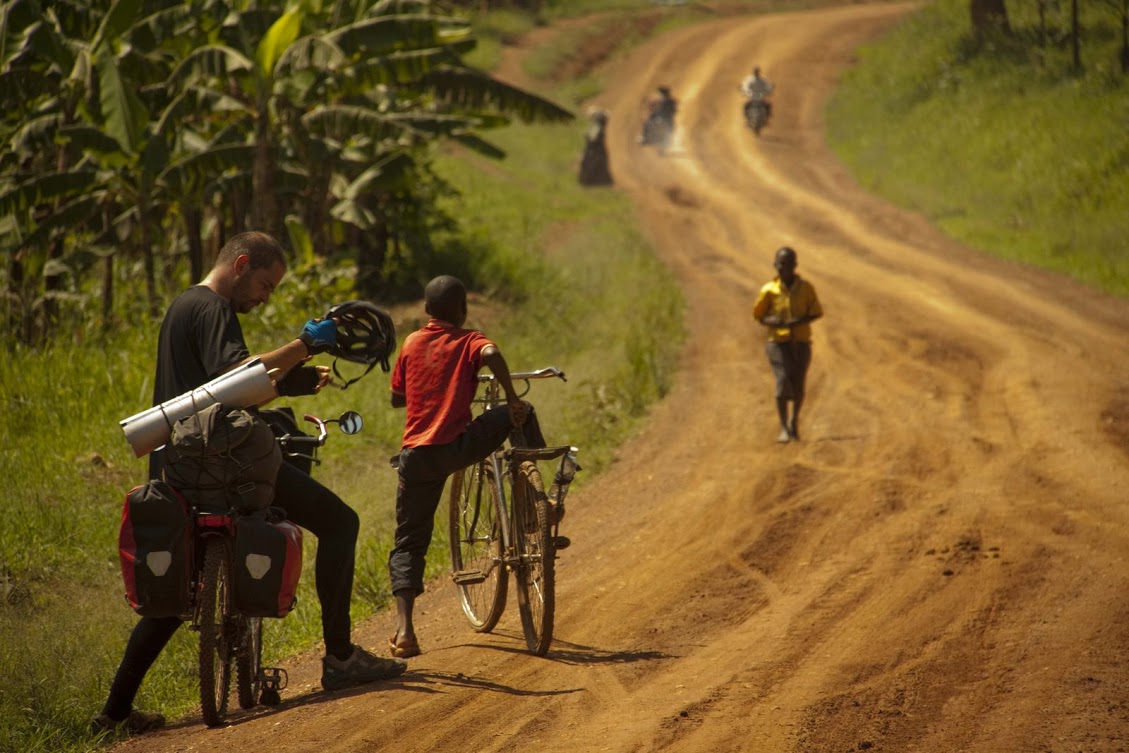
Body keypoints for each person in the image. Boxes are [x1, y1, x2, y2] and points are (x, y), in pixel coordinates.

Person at [93, 231, 405, 736]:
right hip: (223, 467)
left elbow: (217, 392)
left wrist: (287, 382)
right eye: (265, 283)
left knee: (179, 595)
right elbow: (234, 375)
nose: (265, 297)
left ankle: (113, 713)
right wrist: (304, 345)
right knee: (340, 522)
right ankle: (341, 657)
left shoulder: (182, 307)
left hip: (179, 470)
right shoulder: (214, 309)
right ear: (239, 265)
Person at [386, 275, 545, 659]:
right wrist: (510, 396)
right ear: (463, 310)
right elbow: (491, 354)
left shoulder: (410, 343)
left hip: (417, 457)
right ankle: (533, 503)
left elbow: (396, 399)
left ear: (425, 311)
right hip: (457, 447)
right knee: (516, 414)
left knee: (409, 540)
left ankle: (405, 631)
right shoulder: (470, 339)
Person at [752, 247, 823, 444]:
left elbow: (817, 312)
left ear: (795, 266)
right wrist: (771, 321)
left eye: (788, 264)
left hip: (800, 343)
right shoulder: (769, 290)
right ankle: (783, 427)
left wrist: (799, 321)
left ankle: (794, 422)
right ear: (775, 265)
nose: (784, 268)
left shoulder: (806, 288)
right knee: (782, 380)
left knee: (799, 385)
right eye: (781, 264)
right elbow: (758, 315)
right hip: (778, 343)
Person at [578, 108, 613, 186]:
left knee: (590, 162)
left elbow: (591, 137)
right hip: (598, 149)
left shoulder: (598, 127)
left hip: (594, 149)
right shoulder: (601, 128)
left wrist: (587, 136)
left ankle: (589, 180)